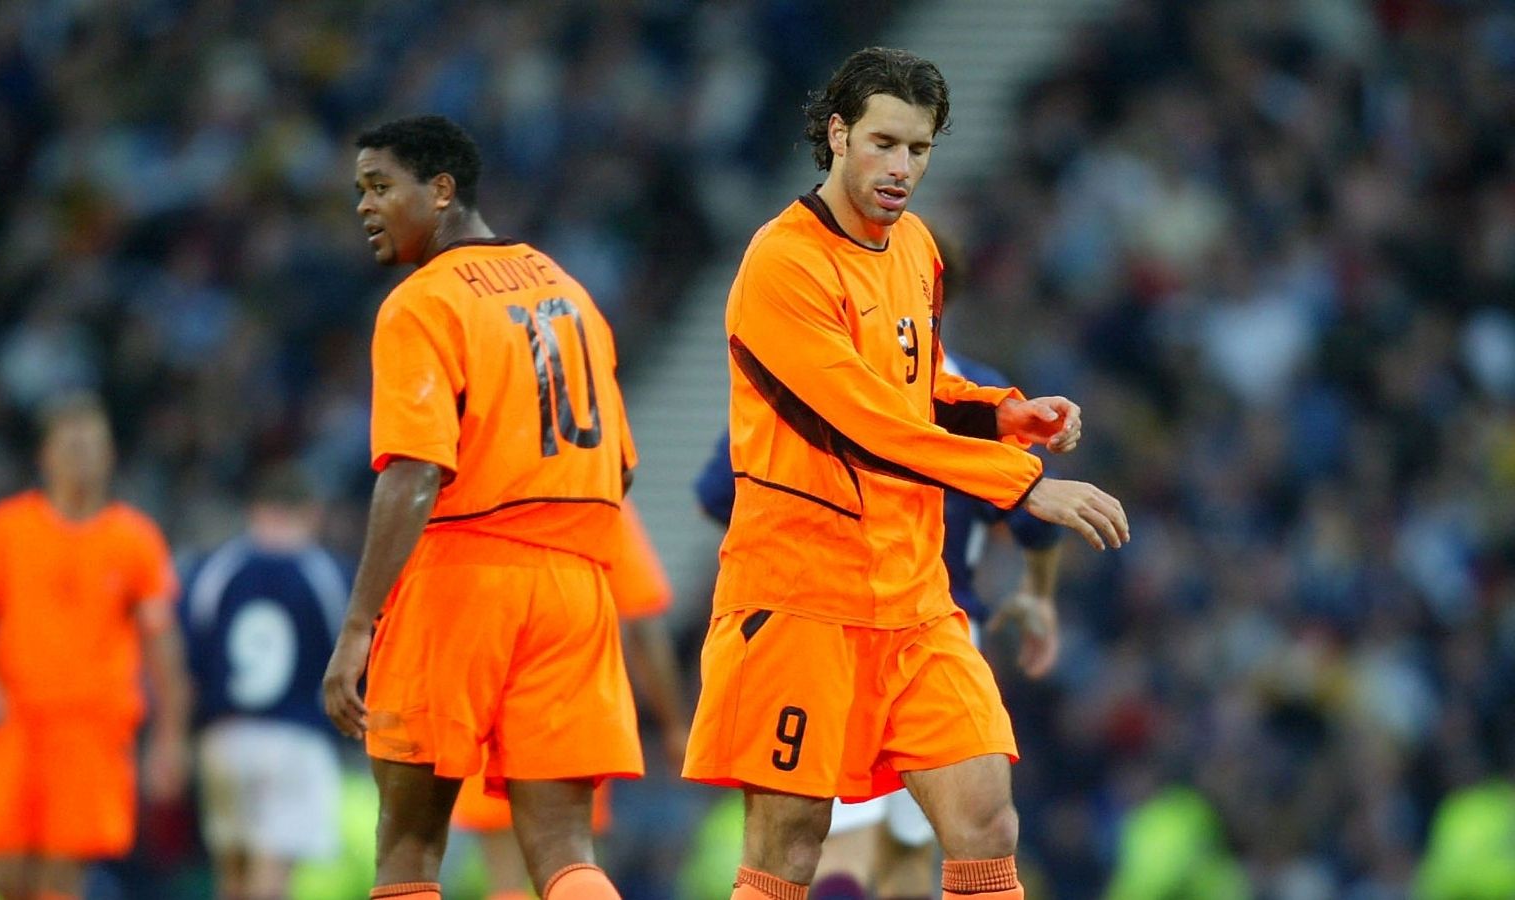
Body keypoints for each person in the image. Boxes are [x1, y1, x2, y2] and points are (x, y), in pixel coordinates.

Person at [680, 47, 1128, 900]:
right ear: (838, 134)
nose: (901, 169)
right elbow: (868, 422)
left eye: (919, 150)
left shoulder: (915, 247)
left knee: (986, 820)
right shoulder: (783, 264)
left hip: (915, 597)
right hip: (800, 597)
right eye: (884, 144)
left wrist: (1000, 412)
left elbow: (918, 390)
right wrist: (1021, 481)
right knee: (790, 842)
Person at [322, 115, 642, 900]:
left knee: (408, 845)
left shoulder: (421, 303)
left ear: (441, 190)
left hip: (462, 578)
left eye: (379, 186)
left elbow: (413, 474)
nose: (364, 207)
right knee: (566, 848)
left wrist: (360, 624)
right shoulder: (570, 293)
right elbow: (623, 467)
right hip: (573, 589)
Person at [693, 353, 1065, 900]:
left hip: (862, 622)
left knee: (838, 851)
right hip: (928, 622)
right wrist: (1039, 593)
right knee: (913, 852)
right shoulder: (976, 391)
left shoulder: (808, 374)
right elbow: (1035, 522)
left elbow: (713, 492)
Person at [0, 392, 192, 900]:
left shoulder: (135, 539)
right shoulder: (7, 528)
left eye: (92, 445)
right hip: (13, 721)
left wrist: (169, 737)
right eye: (70, 445)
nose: (81, 457)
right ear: (45, 456)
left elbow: (162, 648)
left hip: (91, 729)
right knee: (2, 871)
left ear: (110, 455)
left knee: (62, 875)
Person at [450, 498, 690, 900]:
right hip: (572, 696)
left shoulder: (487, 486)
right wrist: (674, 725)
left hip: (490, 695)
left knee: (505, 875)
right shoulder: (599, 491)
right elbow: (645, 623)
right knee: (572, 860)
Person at [182, 462, 351, 900]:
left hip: (225, 735)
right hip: (294, 737)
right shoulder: (327, 574)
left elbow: (189, 663)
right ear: (311, 512)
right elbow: (353, 657)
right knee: (272, 873)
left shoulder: (215, 570)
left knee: (231, 873)